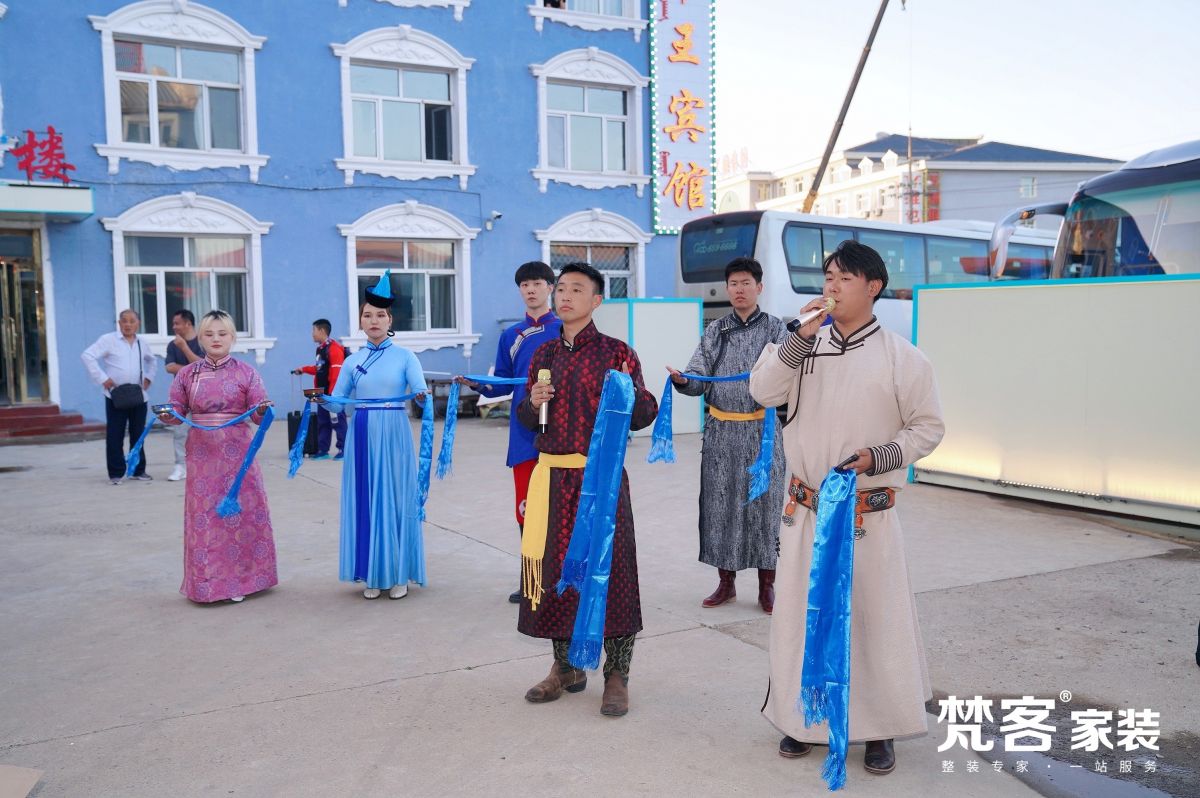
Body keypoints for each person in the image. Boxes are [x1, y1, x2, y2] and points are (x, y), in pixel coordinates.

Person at [749, 239, 944, 775]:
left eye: (844, 278)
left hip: (866, 516)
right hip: (807, 512)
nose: (831, 287)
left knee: (872, 619)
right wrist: (797, 340)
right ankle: (802, 722)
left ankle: (878, 728)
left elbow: (928, 428)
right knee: (801, 616)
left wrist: (880, 456)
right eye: (828, 277)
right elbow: (763, 391)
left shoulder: (903, 358)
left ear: (873, 287)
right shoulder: (801, 346)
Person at [518, 262, 658, 718]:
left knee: (611, 574)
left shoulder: (617, 353)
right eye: (561, 288)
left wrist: (628, 394)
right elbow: (526, 418)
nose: (565, 296)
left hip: (601, 483)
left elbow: (644, 413)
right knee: (558, 574)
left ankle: (617, 674)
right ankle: (565, 668)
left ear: (597, 301)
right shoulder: (543, 354)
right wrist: (531, 403)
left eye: (577, 290)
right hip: (554, 480)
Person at [667, 257, 788, 614]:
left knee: (765, 507)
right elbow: (698, 376)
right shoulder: (715, 330)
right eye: (733, 283)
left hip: (763, 433)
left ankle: (767, 586)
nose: (739, 289)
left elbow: (788, 373)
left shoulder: (776, 329)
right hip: (721, 433)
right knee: (720, 506)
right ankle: (726, 583)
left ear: (759, 287)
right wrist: (683, 380)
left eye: (746, 283)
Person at [454, 261, 561, 603]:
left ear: (550, 288)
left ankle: (563, 582)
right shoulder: (510, 336)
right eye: (524, 285)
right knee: (526, 509)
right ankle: (532, 580)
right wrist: (477, 384)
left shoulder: (566, 329)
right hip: (524, 436)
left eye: (537, 283)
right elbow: (501, 383)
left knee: (562, 510)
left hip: (563, 434)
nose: (530, 290)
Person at [157, 310, 278, 604]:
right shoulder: (187, 374)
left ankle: (244, 581)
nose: (216, 339)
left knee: (240, 516)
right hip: (202, 454)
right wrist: (167, 414)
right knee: (205, 517)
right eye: (209, 334)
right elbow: (177, 410)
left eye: (222, 334)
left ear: (232, 338)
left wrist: (263, 409)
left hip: (238, 453)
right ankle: (207, 583)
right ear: (200, 338)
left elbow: (258, 413)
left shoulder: (247, 373)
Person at [328, 274, 428, 600]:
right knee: (366, 499)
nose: (374, 320)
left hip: (394, 430)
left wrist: (422, 397)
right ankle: (373, 573)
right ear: (360, 321)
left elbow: (419, 392)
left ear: (390, 320)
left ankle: (398, 573)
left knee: (395, 498)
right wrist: (320, 400)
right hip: (362, 432)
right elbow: (338, 402)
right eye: (367, 315)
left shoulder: (406, 357)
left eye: (380, 315)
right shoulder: (352, 361)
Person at [81, 309, 158, 484]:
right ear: (119, 323)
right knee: (115, 436)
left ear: (138, 323)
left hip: (138, 396)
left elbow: (152, 361)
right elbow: (87, 356)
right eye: (124, 321)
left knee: (138, 435)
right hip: (116, 396)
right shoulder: (108, 340)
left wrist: (149, 378)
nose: (128, 324)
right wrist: (103, 379)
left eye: (132, 321)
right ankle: (116, 473)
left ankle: (138, 470)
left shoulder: (142, 343)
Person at [291, 318, 347, 460]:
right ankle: (323, 450)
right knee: (323, 422)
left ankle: (344, 449)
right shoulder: (320, 349)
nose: (312, 334)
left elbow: (336, 373)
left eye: (314, 330)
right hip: (321, 394)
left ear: (322, 331)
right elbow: (319, 368)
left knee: (338, 422)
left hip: (332, 395)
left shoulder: (334, 348)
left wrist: (334, 396)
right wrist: (303, 369)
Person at [163, 309, 203, 482]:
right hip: (181, 395)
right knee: (179, 431)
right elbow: (169, 367)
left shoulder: (203, 342)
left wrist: (184, 348)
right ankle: (180, 466)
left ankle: (202, 465)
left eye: (177, 323)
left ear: (188, 323)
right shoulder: (172, 345)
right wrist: (194, 368)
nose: (174, 327)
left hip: (203, 395)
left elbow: (205, 366)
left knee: (204, 432)